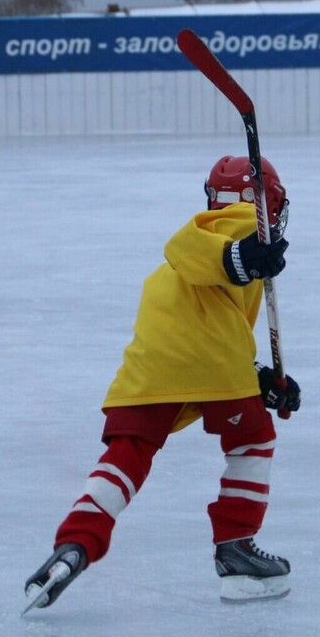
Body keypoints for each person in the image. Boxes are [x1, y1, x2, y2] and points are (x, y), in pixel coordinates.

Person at [24, 155, 302, 610]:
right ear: (268, 201)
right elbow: (190, 248)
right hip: (210, 362)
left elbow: (205, 326)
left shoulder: (212, 252)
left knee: (128, 454)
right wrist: (240, 257)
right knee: (251, 440)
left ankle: (74, 544)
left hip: (153, 365)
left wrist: (263, 380)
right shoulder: (235, 231)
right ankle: (236, 548)